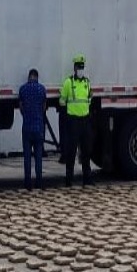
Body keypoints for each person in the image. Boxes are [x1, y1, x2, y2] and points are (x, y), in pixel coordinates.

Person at [59, 54, 94, 187]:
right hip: (73, 121)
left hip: (85, 120)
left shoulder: (87, 82)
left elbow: (89, 99)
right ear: (74, 68)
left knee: (86, 151)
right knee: (71, 151)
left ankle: (87, 178)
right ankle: (69, 179)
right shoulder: (69, 82)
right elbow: (62, 100)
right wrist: (67, 113)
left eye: (82, 67)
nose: (80, 69)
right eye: (79, 67)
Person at [18, 68, 47, 190]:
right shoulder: (42, 89)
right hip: (39, 127)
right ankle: (39, 183)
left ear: (29, 77)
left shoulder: (23, 89)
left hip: (27, 127)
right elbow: (44, 107)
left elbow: (21, 107)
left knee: (27, 157)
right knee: (38, 156)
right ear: (37, 77)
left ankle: (27, 183)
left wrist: (25, 114)